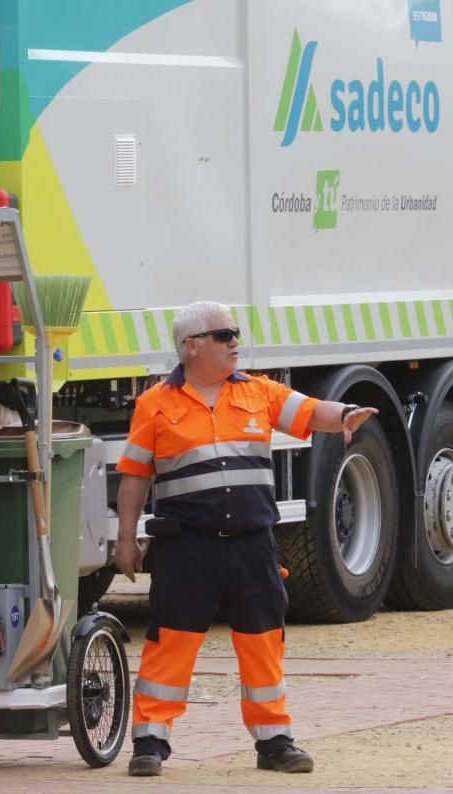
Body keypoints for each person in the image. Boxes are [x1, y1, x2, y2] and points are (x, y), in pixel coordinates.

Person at [114, 300, 377, 777]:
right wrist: (125, 538)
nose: (235, 341)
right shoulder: (155, 404)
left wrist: (346, 414)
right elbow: (134, 475)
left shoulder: (258, 392)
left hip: (251, 541)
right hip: (186, 545)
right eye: (224, 334)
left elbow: (311, 411)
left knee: (262, 640)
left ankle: (274, 741)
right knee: (170, 641)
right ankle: (149, 741)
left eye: (235, 332)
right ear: (191, 347)